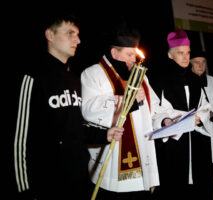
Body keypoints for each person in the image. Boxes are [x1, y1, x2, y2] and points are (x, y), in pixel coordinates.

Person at [12, 14, 124, 200]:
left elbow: (73, 128)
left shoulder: (73, 79)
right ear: (50, 35)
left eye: (78, 34)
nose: (78, 40)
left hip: (79, 181)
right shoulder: (33, 77)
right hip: (47, 185)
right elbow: (19, 140)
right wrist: (26, 190)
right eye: (70, 33)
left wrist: (104, 134)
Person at [80, 21, 169, 200]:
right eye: (129, 54)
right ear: (114, 53)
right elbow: (89, 109)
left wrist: (166, 119)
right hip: (112, 158)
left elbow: (157, 107)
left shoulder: (139, 76)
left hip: (142, 157)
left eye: (134, 55)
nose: (133, 60)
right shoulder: (92, 74)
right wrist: (127, 100)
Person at [154, 29, 213, 200]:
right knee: (176, 188)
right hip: (174, 142)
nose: (186, 57)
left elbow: (205, 106)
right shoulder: (159, 79)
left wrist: (198, 118)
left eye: (187, 53)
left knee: (200, 187)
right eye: (180, 53)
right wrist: (168, 120)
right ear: (170, 55)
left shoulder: (195, 79)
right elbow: (156, 109)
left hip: (198, 141)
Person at [187, 49, 213, 199]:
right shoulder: (185, 80)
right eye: (197, 62)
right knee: (194, 175)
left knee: (209, 173)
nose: (200, 65)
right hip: (192, 133)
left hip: (209, 131)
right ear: (190, 63)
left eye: (203, 62)